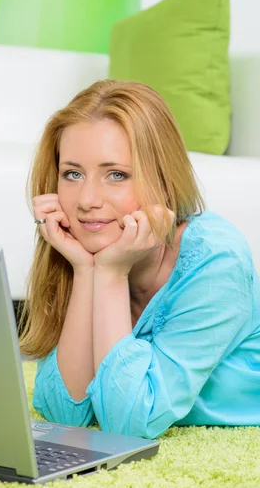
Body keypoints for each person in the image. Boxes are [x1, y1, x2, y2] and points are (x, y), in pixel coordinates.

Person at [19, 80, 260, 439]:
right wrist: (86, 270)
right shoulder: (86, 250)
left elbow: (129, 422)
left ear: (164, 182)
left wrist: (113, 275)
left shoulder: (217, 261)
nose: (86, 200)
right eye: (73, 174)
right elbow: (62, 413)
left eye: (116, 175)